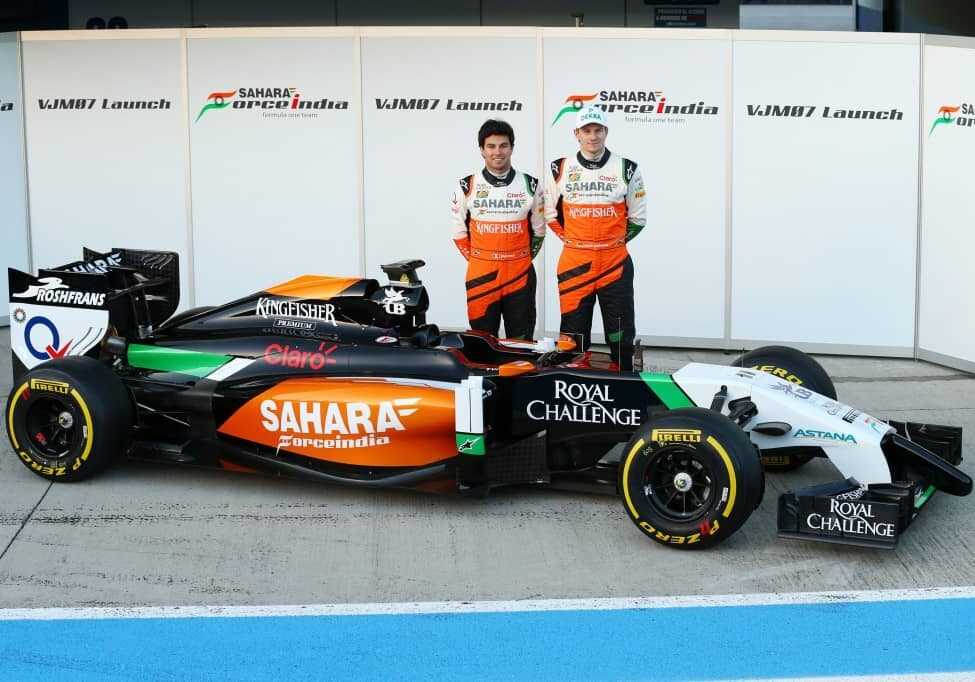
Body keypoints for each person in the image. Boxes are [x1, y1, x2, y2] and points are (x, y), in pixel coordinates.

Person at [545, 106, 646, 371]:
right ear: (576, 133)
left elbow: (637, 219)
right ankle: (569, 391)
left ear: (606, 132)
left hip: (615, 262)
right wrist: (576, 241)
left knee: (620, 333)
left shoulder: (626, 168)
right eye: (587, 131)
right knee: (573, 337)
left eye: (598, 130)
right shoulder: (559, 168)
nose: (593, 136)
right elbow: (551, 215)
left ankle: (624, 386)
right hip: (575, 261)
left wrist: (611, 243)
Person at [451, 119, 545, 339]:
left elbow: (539, 231)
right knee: (481, 342)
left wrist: (517, 259)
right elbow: (459, 233)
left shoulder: (531, 185)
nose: (498, 152)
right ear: (482, 150)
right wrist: (481, 260)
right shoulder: (467, 185)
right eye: (491, 146)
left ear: (512, 147)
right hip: (481, 273)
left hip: (520, 272)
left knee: (521, 343)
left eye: (503, 145)